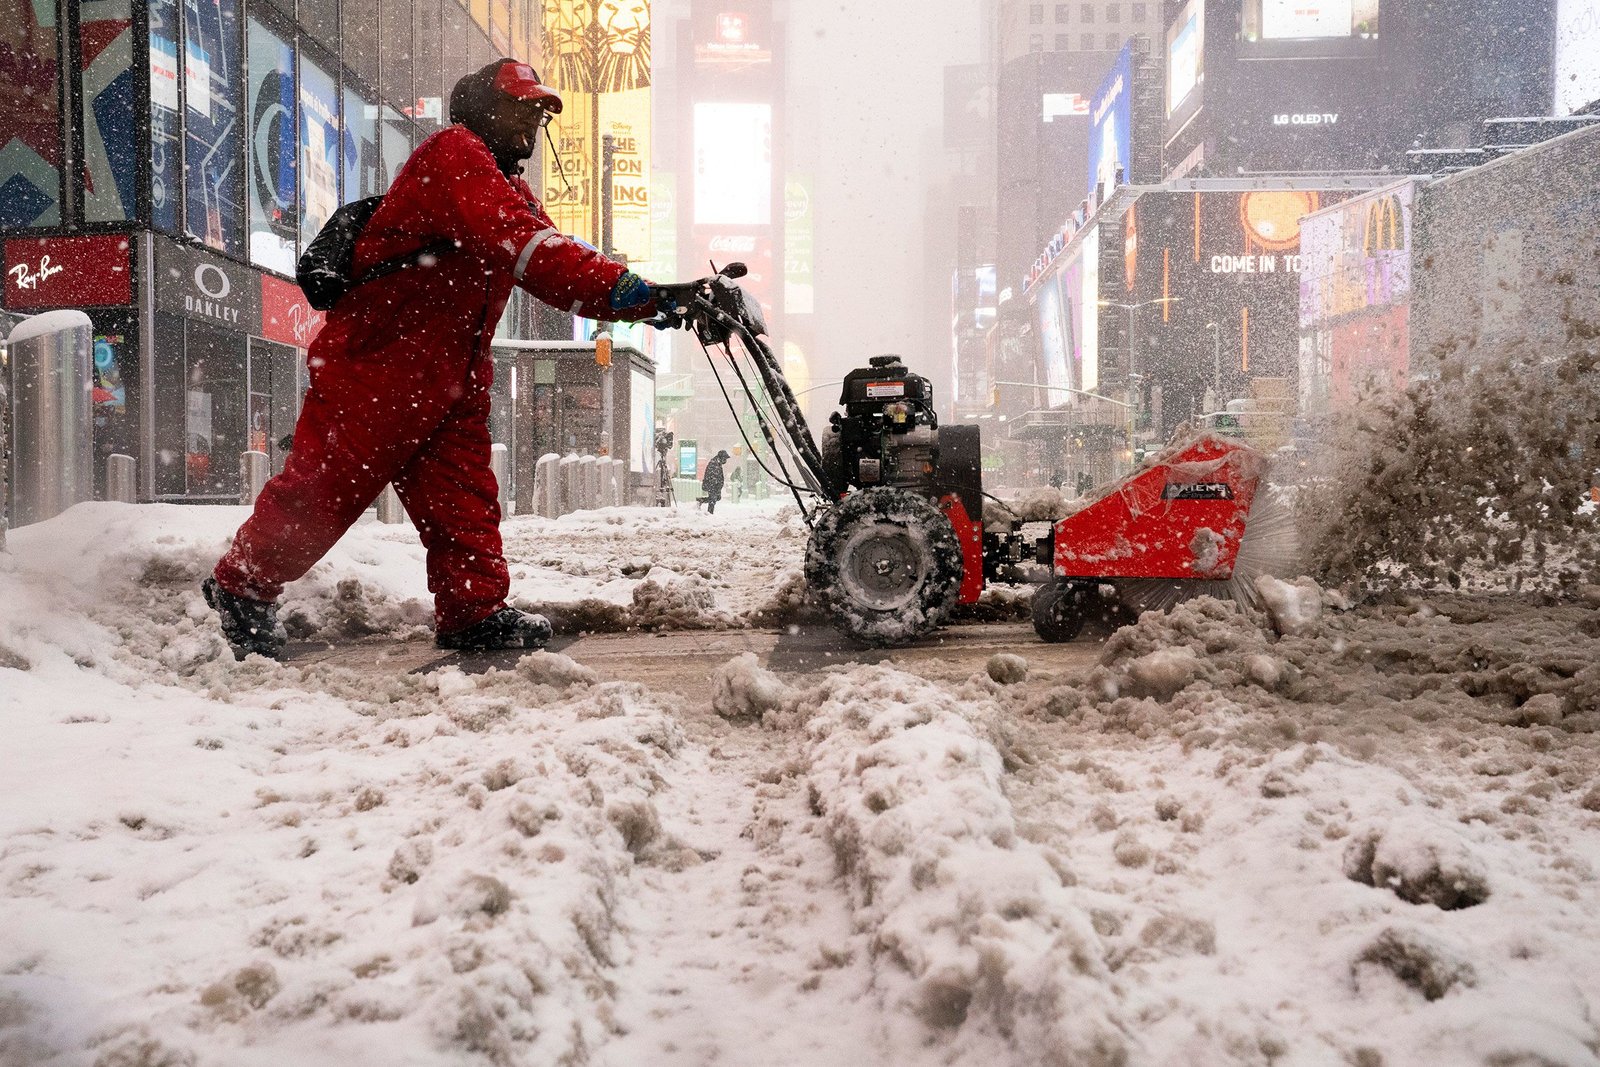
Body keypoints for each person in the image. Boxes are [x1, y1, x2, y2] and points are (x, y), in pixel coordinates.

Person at [203, 59, 658, 659]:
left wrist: (653, 298)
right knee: (323, 490)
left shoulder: (507, 186)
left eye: (536, 113)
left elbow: (556, 253)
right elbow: (532, 250)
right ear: (479, 111)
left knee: (463, 498)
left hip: (448, 376)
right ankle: (241, 586)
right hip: (379, 369)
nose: (530, 124)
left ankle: (473, 610)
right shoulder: (454, 153)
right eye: (519, 108)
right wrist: (633, 294)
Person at [699, 450, 730, 514]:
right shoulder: (714, 463)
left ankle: (701, 500)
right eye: (725, 458)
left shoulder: (718, 463)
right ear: (721, 457)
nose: (725, 461)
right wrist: (716, 487)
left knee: (716, 498)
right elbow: (713, 477)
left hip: (714, 485)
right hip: (712, 485)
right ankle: (710, 513)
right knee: (712, 499)